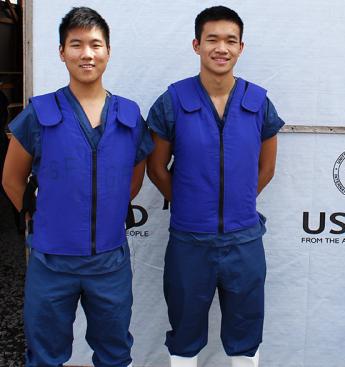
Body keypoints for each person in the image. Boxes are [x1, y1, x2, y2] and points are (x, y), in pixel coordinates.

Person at [1, 7, 153, 366]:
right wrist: (43, 218)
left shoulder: (129, 116)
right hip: (52, 260)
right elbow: (11, 178)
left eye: (95, 45)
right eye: (76, 44)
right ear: (62, 52)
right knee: (44, 355)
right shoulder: (39, 113)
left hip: (109, 261)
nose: (87, 53)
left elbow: (133, 179)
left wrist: (107, 211)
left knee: (114, 353)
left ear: (108, 51)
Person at [146, 5, 284, 367]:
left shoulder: (258, 102)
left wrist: (235, 204)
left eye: (230, 40)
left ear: (241, 47)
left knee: (246, 334)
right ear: (196, 45)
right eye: (212, 39)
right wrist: (190, 203)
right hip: (190, 241)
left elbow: (267, 167)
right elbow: (156, 167)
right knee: (185, 332)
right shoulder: (172, 101)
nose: (221, 48)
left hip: (244, 240)